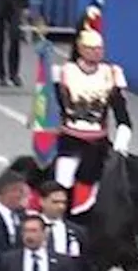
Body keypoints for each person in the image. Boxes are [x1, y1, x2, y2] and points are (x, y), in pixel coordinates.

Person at [52, 26, 132, 213]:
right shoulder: (64, 73)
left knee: (106, 184)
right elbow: (51, 108)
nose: (97, 52)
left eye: (99, 49)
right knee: (62, 179)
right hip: (69, 140)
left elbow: (123, 116)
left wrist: (121, 145)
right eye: (91, 48)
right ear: (80, 49)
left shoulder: (111, 74)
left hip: (98, 143)